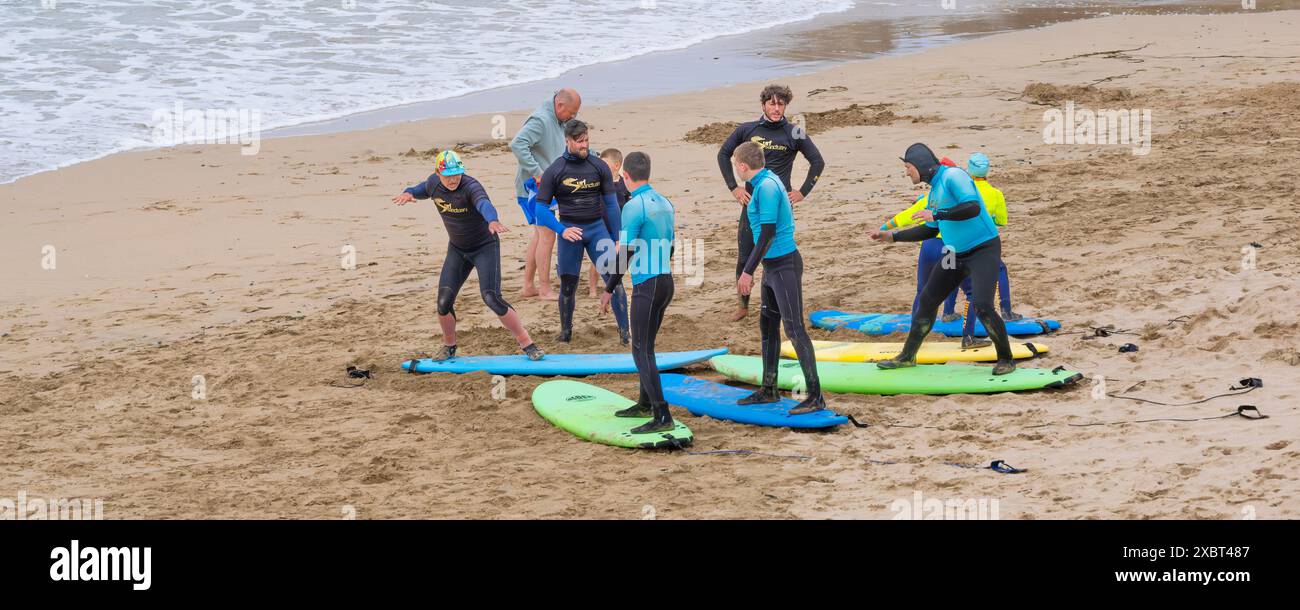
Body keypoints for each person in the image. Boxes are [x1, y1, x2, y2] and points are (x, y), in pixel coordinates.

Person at [868, 143, 1015, 375]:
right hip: (954, 253)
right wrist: (892, 236)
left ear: (920, 165)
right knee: (927, 299)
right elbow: (929, 230)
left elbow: (972, 208)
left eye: (908, 167)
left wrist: (937, 213)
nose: (907, 172)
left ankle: (1006, 358)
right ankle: (907, 356)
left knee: (983, 305)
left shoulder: (953, 176)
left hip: (983, 249)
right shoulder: (934, 191)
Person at [393, 151, 545, 362]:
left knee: (491, 297)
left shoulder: (470, 186)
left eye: (457, 174)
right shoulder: (433, 183)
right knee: (443, 302)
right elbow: (420, 189)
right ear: (438, 173)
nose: (454, 179)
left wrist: (492, 220)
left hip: (485, 246)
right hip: (457, 249)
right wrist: (408, 193)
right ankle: (449, 346)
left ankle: (527, 343)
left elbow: (484, 203)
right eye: (449, 175)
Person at [731, 141, 826, 415]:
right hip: (772, 268)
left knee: (795, 329)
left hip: (784, 265)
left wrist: (747, 270)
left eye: (735, 165)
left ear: (742, 166)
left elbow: (768, 233)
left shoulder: (768, 187)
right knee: (767, 327)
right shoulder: (761, 183)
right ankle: (769, 389)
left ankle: (815, 396)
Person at [717, 84, 826, 322]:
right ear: (764, 104)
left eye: (781, 104)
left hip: (778, 205)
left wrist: (802, 192)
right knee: (745, 255)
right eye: (772, 103)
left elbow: (817, 161)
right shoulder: (748, 129)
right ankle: (743, 306)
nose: (776, 109)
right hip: (751, 205)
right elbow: (723, 154)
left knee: (777, 253)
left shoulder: (793, 132)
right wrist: (733, 188)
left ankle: (778, 297)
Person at [599, 152, 677, 433]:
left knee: (640, 349)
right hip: (666, 282)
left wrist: (608, 289)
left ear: (625, 176)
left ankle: (661, 415)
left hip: (648, 285)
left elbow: (625, 253)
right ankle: (645, 403)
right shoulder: (666, 203)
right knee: (648, 347)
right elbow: (670, 247)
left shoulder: (633, 206)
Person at [533, 120, 630, 344]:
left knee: (614, 281)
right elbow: (540, 209)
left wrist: (617, 238)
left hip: (597, 229)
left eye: (586, 140)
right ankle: (565, 333)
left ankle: (626, 334)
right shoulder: (555, 170)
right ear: (567, 141)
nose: (584, 145)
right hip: (570, 231)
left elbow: (612, 205)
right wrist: (561, 230)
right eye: (579, 142)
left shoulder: (599, 167)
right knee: (568, 286)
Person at [510, 88, 582, 300]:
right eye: (572, 112)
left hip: (547, 189)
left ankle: (528, 287)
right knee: (548, 235)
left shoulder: (559, 121)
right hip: (532, 189)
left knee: (540, 235)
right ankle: (544, 289)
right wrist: (538, 173)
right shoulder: (541, 120)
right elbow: (517, 144)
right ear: (559, 106)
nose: (573, 117)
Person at [942, 152, 1022, 341]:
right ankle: (1006, 310)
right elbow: (1002, 221)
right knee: (1000, 270)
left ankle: (947, 312)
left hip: (948, 244)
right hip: (979, 246)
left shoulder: (956, 191)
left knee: (951, 274)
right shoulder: (995, 194)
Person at [588, 148, 631, 298]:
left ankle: (613, 284)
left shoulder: (624, 184)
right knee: (597, 260)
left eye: (605, 164)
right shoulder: (597, 183)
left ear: (617, 165)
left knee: (619, 258)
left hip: (618, 228)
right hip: (601, 226)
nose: (601, 167)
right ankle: (592, 288)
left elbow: (628, 204)